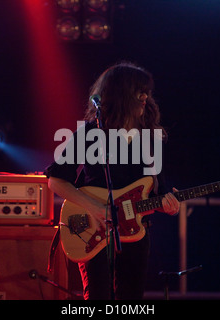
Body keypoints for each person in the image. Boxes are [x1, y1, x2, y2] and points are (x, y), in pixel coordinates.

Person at [45, 61, 180, 300]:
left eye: (146, 91)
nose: (145, 97)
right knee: (98, 297)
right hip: (94, 228)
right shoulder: (90, 133)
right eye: (139, 91)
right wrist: (96, 207)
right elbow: (56, 180)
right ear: (121, 94)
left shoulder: (150, 138)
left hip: (136, 232)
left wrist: (169, 203)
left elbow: (158, 189)